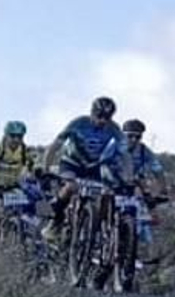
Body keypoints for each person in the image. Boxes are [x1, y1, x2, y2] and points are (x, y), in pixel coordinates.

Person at [42, 96, 130, 239]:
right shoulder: (78, 123)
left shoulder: (114, 128)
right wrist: (45, 168)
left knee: (106, 193)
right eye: (99, 116)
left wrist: (129, 177)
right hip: (71, 162)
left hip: (93, 166)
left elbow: (126, 155)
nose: (102, 121)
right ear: (92, 112)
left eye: (107, 117)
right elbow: (55, 146)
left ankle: (94, 230)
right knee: (71, 187)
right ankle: (54, 221)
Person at [0, 121, 39, 201]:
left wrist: (38, 171)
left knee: (28, 206)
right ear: (6, 136)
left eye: (19, 137)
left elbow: (36, 163)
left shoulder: (26, 151)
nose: (16, 140)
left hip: (14, 189)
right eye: (12, 136)